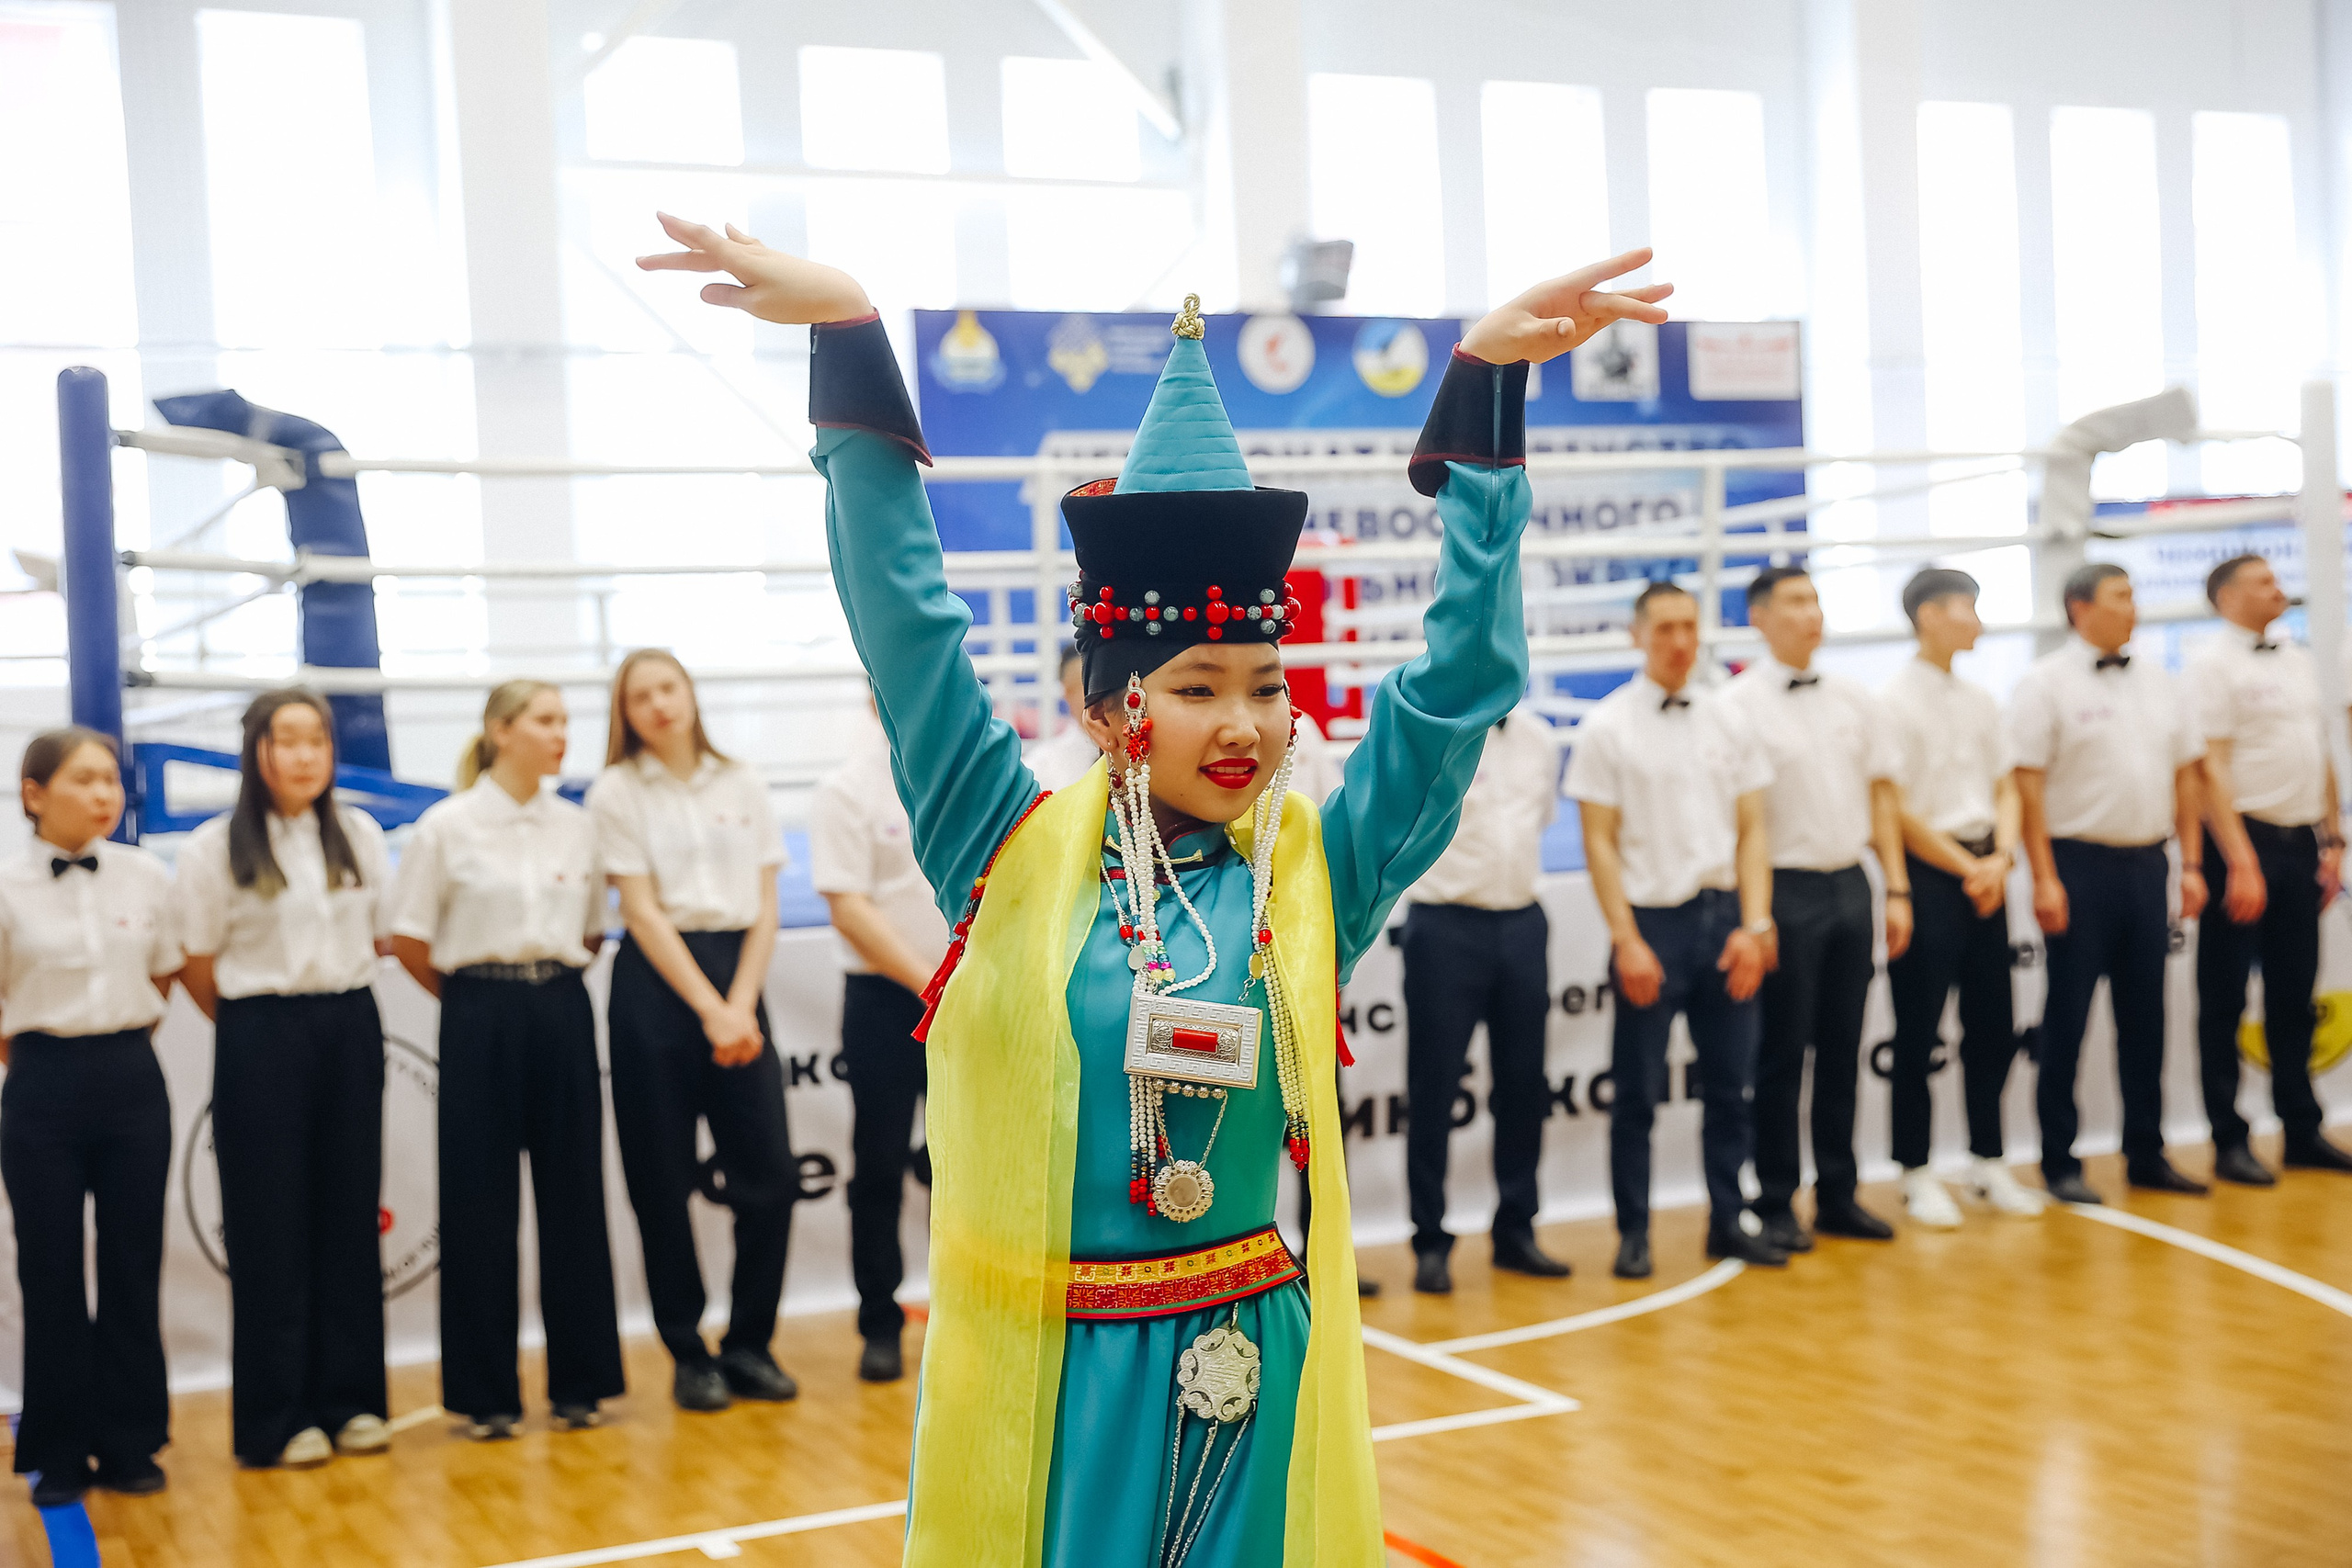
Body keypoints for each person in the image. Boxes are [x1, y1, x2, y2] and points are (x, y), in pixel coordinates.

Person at [640, 209, 1668, 1564]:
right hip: (1056, 1375)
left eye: (1266, 686)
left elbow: (1461, 683)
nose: (1243, 723)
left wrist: (1482, 393)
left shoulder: (1315, 869)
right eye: (1197, 689)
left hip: (1254, 1357)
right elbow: (908, 619)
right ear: (1119, 707)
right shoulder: (1001, 850)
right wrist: (846, 340)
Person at [390, 680, 625, 1438]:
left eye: (564, 719)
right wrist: (475, 999)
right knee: (478, 1203)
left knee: (574, 1198)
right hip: (477, 1010)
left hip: (559, 1004)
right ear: (500, 730)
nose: (561, 733)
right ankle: (487, 1395)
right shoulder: (446, 827)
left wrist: (537, 985)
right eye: (545, 720)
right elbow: (412, 942)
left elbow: (589, 932)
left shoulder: (577, 825)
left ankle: (580, 1383)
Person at [176, 689, 396, 1468]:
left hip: (348, 1024)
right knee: (270, 1227)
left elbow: (380, 934)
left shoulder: (359, 834)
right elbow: (197, 965)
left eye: (317, 740)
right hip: (259, 1031)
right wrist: (256, 1032)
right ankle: (280, 1414)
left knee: (347, 1213)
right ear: (255, 750)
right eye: (287, 739)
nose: (305, 755)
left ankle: (354, 1400)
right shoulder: (212, 846)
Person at [587, 649, 799, 1413]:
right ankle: (688, 1350)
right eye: (639, 695)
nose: (657, 704)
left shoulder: (741, 780)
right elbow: (639, 910)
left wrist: (737, 1004)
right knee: (660, 1180)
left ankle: (750, 1343)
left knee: (770, 1175)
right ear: (626, 711)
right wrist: (709, 1007)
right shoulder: (615, 790)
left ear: (690, 693)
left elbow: (767, 902)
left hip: (738, 973)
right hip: (657, 984)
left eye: (666, 688)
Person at [1567, 581, 1781, 1279]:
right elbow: (1598, 841)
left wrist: (1756, 922)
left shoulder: (1730, 719)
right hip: (1650, 922)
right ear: (1637, 635)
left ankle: (1729, 1216)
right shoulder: (1607, 726)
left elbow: (1753, 829)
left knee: (1731, 1086)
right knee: (1637, 1092)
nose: (1680, 641)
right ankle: (1634, 1230)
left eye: (1690, 626)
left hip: (1725, 918)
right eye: (1664, 628)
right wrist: (1626, 937)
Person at [0, 728, 181, 1506]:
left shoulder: (146, 875)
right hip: (40, 1079)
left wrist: (114, 1048)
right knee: (49, 1266)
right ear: (34, 793)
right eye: (84, 779)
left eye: (111, 779)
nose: (105, 793)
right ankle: (60, 1445)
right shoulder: (5, 882)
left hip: (131, 1077)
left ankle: (131, 1438)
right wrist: (43, 1057)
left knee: (134, 1259)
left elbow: (165, 975)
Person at [1719, 566, 1910, 1251]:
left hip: (1849, 884)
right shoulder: (1736, 704)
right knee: (1780, 1053)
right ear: (1761, 618)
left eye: (1816, 601)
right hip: (1784, 887)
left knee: (1841, 1046)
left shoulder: (1856, 697)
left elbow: (1884, 796)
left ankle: (1838, 1190)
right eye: (1796, 602)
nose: (1811, 614)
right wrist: (1757, 915)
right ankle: (1774, 1196)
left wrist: (1895, 886)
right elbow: (1744, 822)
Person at [2011, 563, 2209, 1204]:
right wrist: (2043, 876)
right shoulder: (2044, 683)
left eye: (2133, 594)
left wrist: (2193, 863)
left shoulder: (2160, 681)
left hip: (2148, 863)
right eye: (2120, 596)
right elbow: (2028, 785)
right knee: (2067, 1019)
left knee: (2146, 1018)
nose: (2133, 607)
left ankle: (2146, 1150)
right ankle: (2059, 1160)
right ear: (2080, 607)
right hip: (2077, 864)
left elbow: (2187, 775)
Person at [1878, 570, 2042, 1225]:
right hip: (1930, 873)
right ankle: (1915, 1169)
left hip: (1987, 869)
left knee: (1992, 1022)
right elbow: (1892, 805)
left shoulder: (1981, 698)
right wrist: (1963, 865)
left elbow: (2007, 785)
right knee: (1918, 1030)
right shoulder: (1891, 701)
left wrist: (2000, 857)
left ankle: (1988, 1158)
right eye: (1965, 608)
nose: (1976, 621)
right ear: (1928, 615)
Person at [2188, 555, 2352, 1181]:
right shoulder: (2211, 666)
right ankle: (2228, 1135)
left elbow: (2320, 749)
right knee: (2225, 996)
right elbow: (2212, 767)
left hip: (2301, 840)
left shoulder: (2299, 657)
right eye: (2262, 581)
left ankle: (2301, 1125)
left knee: (2294, 992)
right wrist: (2238, 858)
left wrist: (2332, 834)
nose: (2278, 588)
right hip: (2245, 841)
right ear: (2227, 596)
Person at [1397, 702, 1569, 1293]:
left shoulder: (1541, 739)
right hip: (1446, 925)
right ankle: (1429, 1236)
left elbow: (1537, 821)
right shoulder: (1436, 739)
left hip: (1521, 920)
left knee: (1525, 1084)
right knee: (1434, 1086)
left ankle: (1517, 1229)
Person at [809, 703, 952, 1382]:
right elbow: (849, 906)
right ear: (875, 695)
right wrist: (931, 982)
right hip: (887, 998)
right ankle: (880, 1320)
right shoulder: (848, 788)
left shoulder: (960, 773)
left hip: (965, 994)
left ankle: (964, 1313)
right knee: (878, 1161)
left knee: (967, 1164)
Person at [1034, 644, 1347, 803]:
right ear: (1102, 717)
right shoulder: (1044, 775)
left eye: (1267, 690)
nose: (1243, 731)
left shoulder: (1317, 856)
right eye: (1198, 691)